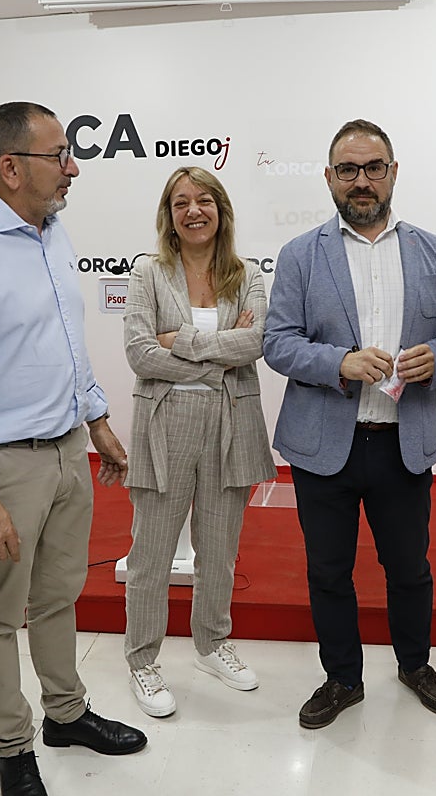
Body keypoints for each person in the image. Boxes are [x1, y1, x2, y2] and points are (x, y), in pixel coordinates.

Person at [0, 102, 145, 796]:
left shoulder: (52, 231)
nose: (73, 168)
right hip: (1, 464)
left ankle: (65, 714)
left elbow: (62, 343)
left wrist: (96, 417)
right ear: (10, 168)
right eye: (59, 156)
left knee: (57, 595)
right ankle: (12, 748)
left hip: (67, 448)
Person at [263, 119, 436, 729]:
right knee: (328, 571)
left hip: (402, 443)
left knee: (410, 569)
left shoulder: (435, 251)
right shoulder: (300, 254)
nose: (362, 182)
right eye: (348, 170)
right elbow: (277, 343)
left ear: (392, 173)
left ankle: (414, 664)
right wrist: (339, 362)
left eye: (373, 168)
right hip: (322, 446)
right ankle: (342, 678)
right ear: (330, 177)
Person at [120, 166, 276, 716]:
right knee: (151, 554)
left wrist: (182, 342)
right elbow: (140, 352)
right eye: (181, 202)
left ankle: (212, 644)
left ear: (221, 210)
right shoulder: (148, 274)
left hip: (232, 424)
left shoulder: (248, 273)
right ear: (169, 214)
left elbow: (257, 342)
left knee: (220, 550)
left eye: (204, 200)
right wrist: (217, 357)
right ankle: (142, 661)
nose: (193, 210)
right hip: (166, 422)